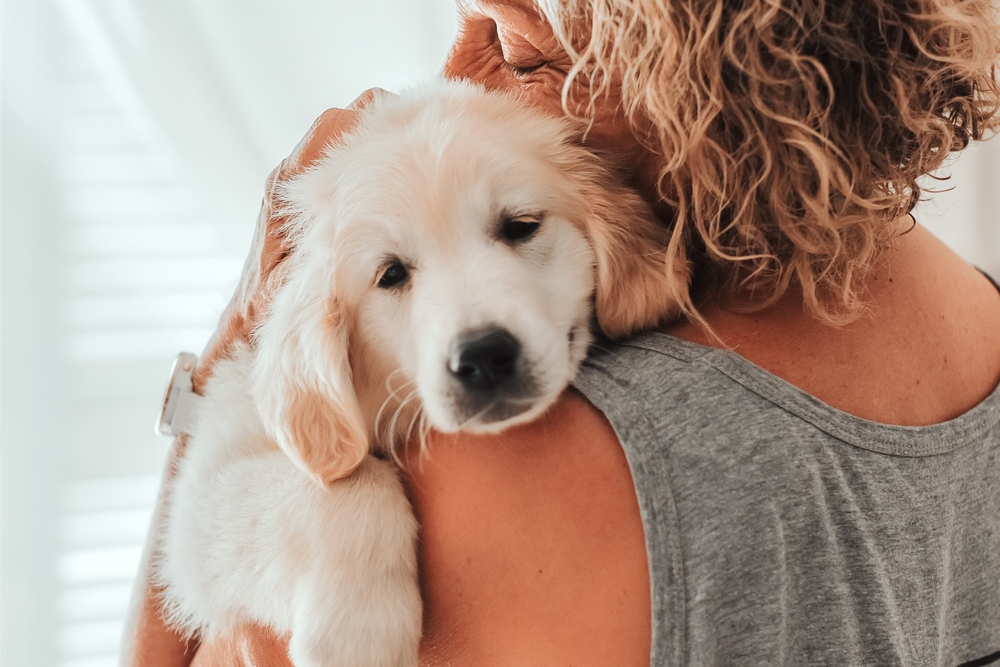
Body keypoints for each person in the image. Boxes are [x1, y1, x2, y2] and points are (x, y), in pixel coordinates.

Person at [122, 0, 1000, 664]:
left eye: (518, 49)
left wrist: (241, 328)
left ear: (695, 77)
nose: (458, 73)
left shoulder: (530, 465)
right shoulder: (980, 312)